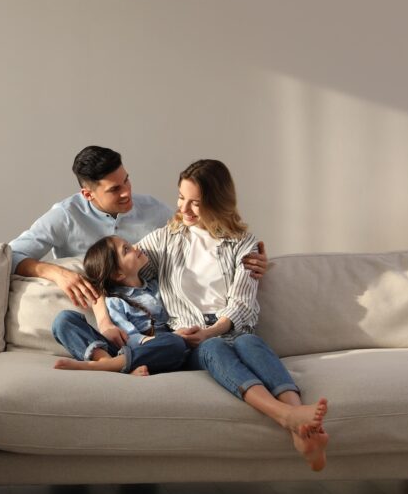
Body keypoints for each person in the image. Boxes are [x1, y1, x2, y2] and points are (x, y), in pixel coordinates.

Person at [93, 159, 330, 471]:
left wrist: (213, 328)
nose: (185, 210)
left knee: (248, 344)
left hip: (230, 328)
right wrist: (103, 318)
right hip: (191, 338)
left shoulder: (243, 244)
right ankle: (286, 416)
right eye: (181, 198)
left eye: (196, 203)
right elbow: (108, 272)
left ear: (218, 203)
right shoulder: (165, 239)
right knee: (214, 347)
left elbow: (243, 304)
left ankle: (303, 428)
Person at [9, 146, 269, 348]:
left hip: (156, 322)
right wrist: (56, 272)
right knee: (65, 322)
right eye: (114, 189)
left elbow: (201, 237)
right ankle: (109, 359)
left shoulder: (153, 210)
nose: (127, 193)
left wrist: (249, 257)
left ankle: (135, 356)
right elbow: (8, 256)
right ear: (88, 195)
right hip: (102, 313)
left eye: (127, 180)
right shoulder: (64, 216)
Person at [51, 235, 189, 376]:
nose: (137, 247)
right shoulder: (115, 301)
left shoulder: (158, 285)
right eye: (126, 250)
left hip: (156, 351)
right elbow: (128, 339)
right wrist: (155, 340)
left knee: (175, 343)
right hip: (130, 347)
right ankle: (106, 361)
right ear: (118, 274)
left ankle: (115, 366)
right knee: (64, 320)